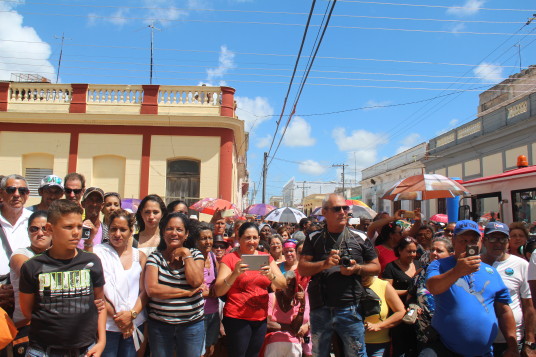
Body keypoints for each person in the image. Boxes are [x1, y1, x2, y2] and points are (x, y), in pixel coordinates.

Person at [19, 199, 106, 356]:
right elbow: (27, 311)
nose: (76, 232)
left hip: (85, 350)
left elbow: (100, 305)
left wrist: (101, 342)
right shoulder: (32, 267)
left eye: (79, 226)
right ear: (49, 228)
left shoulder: (92, 261)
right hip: (42, 351)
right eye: (68, 227)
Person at [298, 193, 380, 357]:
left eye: (345, 208)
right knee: (319, 353)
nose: (343, 212)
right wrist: (325, 264)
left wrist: (356, 269)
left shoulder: (360, 237)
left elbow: (376, 267)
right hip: (320, 307)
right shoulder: (313, 238)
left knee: (355, 353)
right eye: (337, 209)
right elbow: (302, 268)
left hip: (350, 307)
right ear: (324, 212)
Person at [422, 220, 519, 357]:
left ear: (480, 242)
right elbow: (433, 287)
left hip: (483, 352)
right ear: (454, 241)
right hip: (445, 348)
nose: (469, 245)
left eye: (473, 240)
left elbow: (504, 310)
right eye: (464, 240)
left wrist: (513, 346)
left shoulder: (490, 271)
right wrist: (457, 271)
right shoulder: (439, 265)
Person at [214, 222, 286, 357]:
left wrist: (271, 275)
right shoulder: (230, 258)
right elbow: (218, 291)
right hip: (237, 318)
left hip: (260, 319)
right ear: (239, 239)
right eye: (247, 238)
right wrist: (234, 273)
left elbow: (282, 284)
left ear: (259, 239)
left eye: (255, 237)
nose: (252, 241)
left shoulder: (266, 258)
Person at [144, 212, 205, 357]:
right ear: (163, 232)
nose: (174, 233)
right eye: (169, 229)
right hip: (160, 326)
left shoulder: (195, 255)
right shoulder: (155, 258)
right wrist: (186, 293)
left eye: (179, 229)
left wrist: (186, 254)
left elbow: (196, 281)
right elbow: (152, 289)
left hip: (191, 325)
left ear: (186, 234)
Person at [94, 209, 148, 357]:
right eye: (113, 229)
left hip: (134, 324)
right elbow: (96, 292)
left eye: (123, 229)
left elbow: (144, 292)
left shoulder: (140, 256)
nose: (117, 234)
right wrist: (120, 318)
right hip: (107, 325)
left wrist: (131, 315)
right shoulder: (98, 253)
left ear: (131, 231)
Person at [479, 222, 536, 356]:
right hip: (480, 340)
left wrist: (530, 342)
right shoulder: (472, 264)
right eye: (492, 238)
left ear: (508, 242)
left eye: (503, 239)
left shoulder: (521, 265)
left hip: (512, 341)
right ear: (484, 241)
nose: (497, 243)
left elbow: (529, 306)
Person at [9, 211, 51, 330]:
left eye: (45, 228)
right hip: (25, 326)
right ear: (28, 231)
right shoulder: (20, 254)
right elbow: (30, 275)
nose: (40, 233)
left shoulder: (60, 255)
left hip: (54, 325)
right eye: (34, 229)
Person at [382, 237, 420, 356]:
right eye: (409, 251)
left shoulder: (419, 265)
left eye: (414, 251)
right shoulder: (391, 268)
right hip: (398, 313)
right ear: (400, 250)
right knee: (400, 347)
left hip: (417, 313)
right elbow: (387, 290)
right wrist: (408, 292)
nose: (412, 254)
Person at [0, 174, 32, 313]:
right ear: (1, 193)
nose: (17, 194)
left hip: (26, 296)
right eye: (11, 190)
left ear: (28, 195)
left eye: (22, 191)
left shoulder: (36, 223)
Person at [264, 270, 310, 357]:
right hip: (273, 342)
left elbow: (296, 328)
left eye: (294, 286)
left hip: (293, 343)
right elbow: (267, 324)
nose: (291, 289)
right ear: (282, 285)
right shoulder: (272, 297)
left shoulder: (298, 302)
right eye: (289, 285)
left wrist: (302, 305)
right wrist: (289, 328)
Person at [362, 275, 405, 357]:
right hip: (351, 343)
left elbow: (401, 312)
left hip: (378, 344)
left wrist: (378, 326)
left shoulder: (383, 285)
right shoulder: (345, 284)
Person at [195, 223, 220, 357]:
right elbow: (194, 289)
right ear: (197, 241)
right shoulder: (193, 258)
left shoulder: (212, 256)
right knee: (198, 351)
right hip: (198, 313)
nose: (208, 241)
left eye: (210, 238)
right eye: (203, 238)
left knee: (210, 349)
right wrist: (211, 292)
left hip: (214, 312)